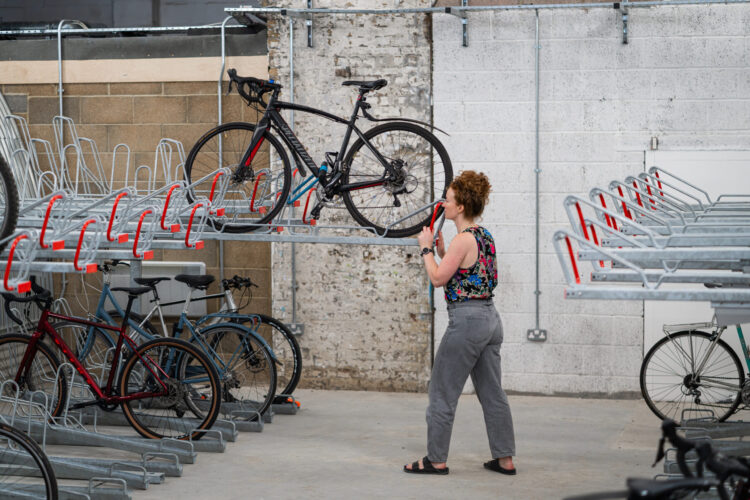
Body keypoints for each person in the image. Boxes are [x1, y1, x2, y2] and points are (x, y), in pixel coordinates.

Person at [403, 170, 516, 476]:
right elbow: (469, 272)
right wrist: (442, 251)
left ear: (461, 207)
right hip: (490, 319)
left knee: (441, 391)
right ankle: (505, 459)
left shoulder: (462, 239)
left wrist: (426, 247)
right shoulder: (483, 235)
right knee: (493, 393)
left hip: (467, 322)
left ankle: (435, 459)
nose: (444, 203)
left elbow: (438, 278)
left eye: (449, 199)